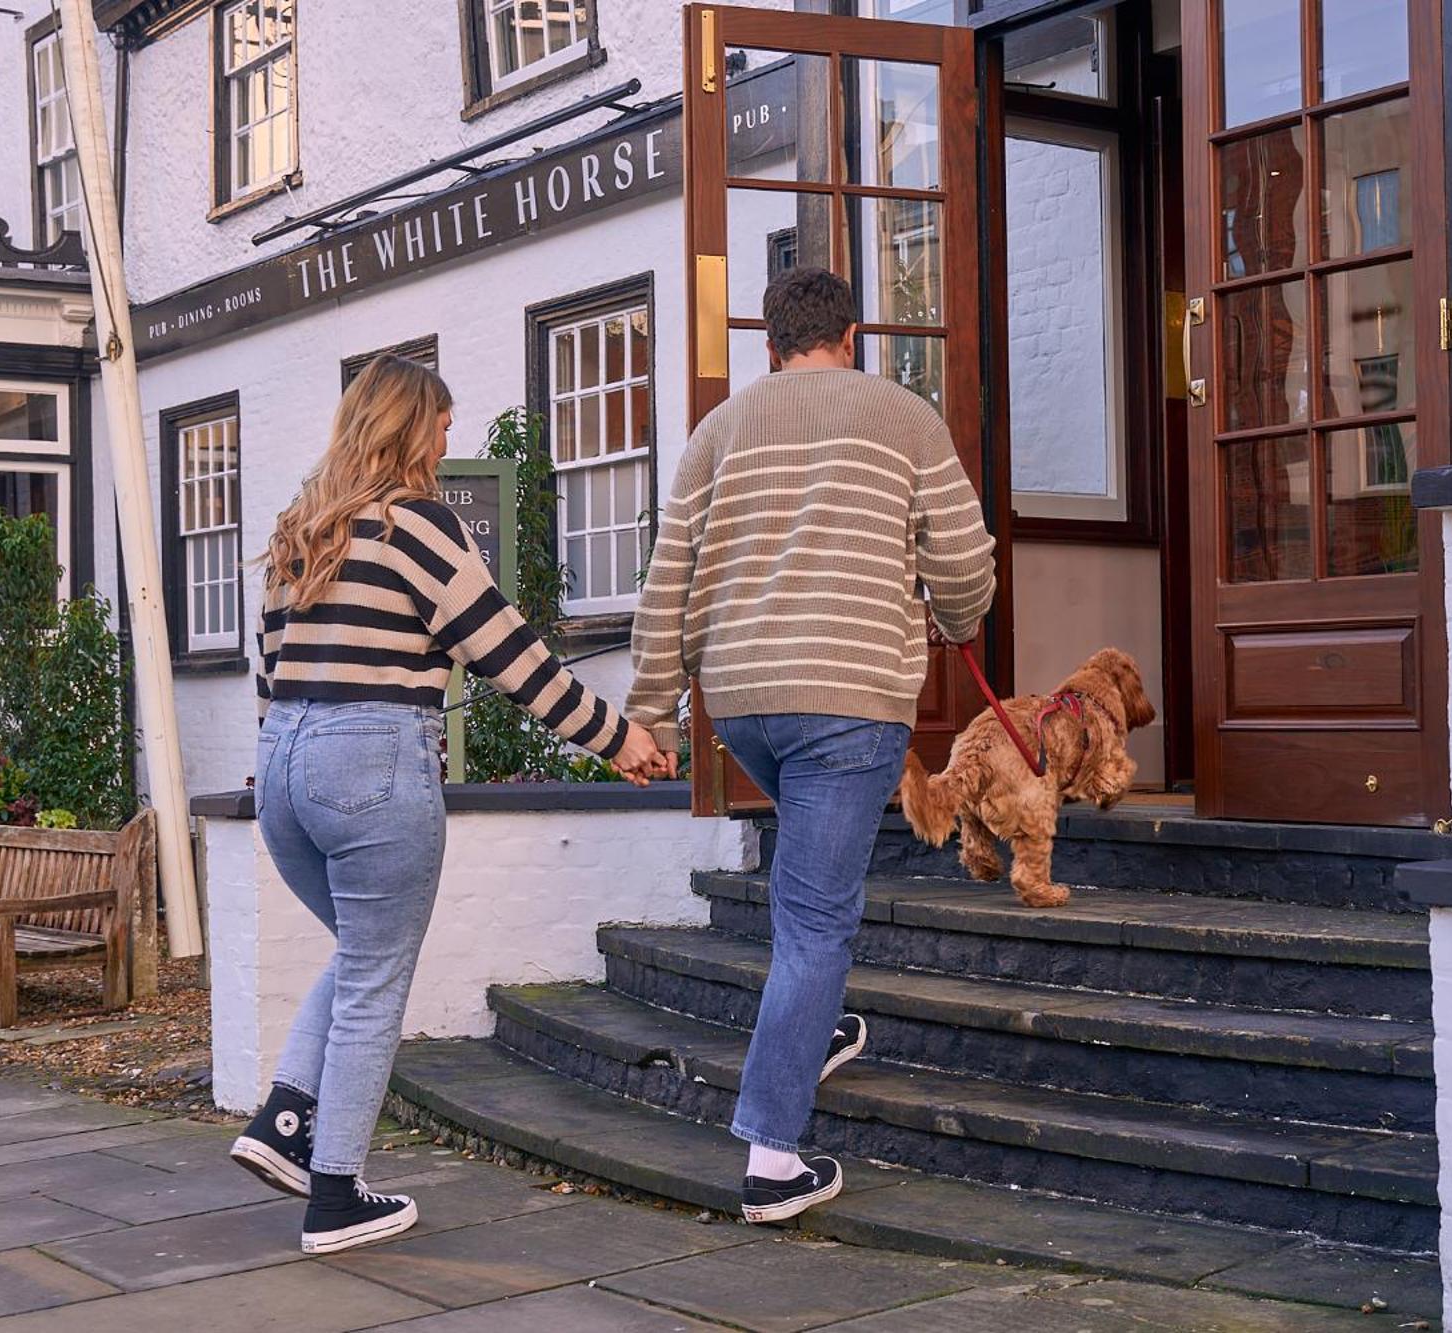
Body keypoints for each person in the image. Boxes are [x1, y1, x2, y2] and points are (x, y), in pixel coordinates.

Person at [230, 356, 666, 1255]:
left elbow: (267, 680)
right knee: (376, 977)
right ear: (404, 428)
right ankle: (336, 1192)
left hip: (281, 766)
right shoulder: (417, 529)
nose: (445, 440)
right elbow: (513, 658)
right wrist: (618, 738)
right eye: (438, 424)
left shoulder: (298, 533)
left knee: (361, 951)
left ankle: (282, 1117)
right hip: (372, 760)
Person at [626, 267, 997, 1224]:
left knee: (807, 893)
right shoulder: (903, 417)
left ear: (770, 345)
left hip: (745, 701)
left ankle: (814, 1024)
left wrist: (655, 710)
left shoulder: (719, 432)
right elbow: (962, 564)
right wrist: (956, 613)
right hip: (848, 701)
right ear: (852, 335)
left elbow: (671, 577)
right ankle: (771, 1155)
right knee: (818, 919)